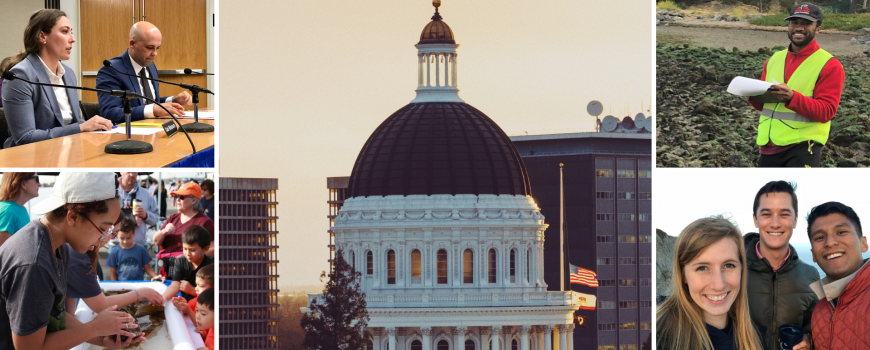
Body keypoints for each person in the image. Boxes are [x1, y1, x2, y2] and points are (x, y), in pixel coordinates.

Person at [0, 172, 144, 349]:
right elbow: (29, 347)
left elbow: (55, 311)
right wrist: (95, 327)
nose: (104, 238)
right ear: (73, 217)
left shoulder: (58, 244)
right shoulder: (33, 264)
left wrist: (101, 338)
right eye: (103, 229)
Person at [747, 4, 845, 167]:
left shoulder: (830, 65)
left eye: (806, 23)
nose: (798, 28)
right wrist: (752, 95)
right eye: (794, 22)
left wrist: (792, 98)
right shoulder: (773, 59)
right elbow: (765, 106)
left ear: (818, 29)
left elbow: (827, 111)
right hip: (768, 146)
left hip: (803, 148)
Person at [1, 9, 113, 148]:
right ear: (42, 37)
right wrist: (81, 127)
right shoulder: (20, 76)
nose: (73, 39)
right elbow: (25, 138)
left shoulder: (69, 74)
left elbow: (75, 122)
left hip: (68, 152)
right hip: (32, 161)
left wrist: (95, 127)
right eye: (65, 31)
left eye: (71, 32)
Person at [657, 216, 765, 350]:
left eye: (729, 265)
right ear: (683, 274)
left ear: (742, 269)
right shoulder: (657, 338)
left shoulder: (755, 335)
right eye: (702, 268)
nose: (719, 285)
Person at [744, 181, 818, 350]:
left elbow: (817, 324)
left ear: (795, 220)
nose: (775, 223)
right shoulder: (734, 269)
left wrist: (810, 340)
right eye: (766, 214)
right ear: (755, 220)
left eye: (784, 214)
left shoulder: (811, 275)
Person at [96, 21, 191, 123]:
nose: (154, 54)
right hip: (127, 133)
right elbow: (109, 113)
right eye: (150, 48)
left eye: (157, 48)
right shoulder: (111, 69)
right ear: (132, 43)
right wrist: (153, 109)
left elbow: (148, 101)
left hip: (154, 129)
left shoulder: (150, 65)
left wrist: (174, 100)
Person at [806, 202, 870, 350]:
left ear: (863, 244)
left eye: (841, 232)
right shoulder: (820, 310)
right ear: (813, 255)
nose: (830, 242)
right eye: (820, 237)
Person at [153, 182, 214, 269]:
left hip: (190, 270)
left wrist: (187, 256)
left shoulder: (205, 221)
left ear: (193, 201)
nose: (177, 200)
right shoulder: (173, 217)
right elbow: (155, 241)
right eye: (176, 196)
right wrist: (164, 231)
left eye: (182, 197)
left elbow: (214, 250)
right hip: (169, 267)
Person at [107, 172, 158, 254]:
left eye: (134, 171)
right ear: (121, 171)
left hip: (139, 246)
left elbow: (156, 219)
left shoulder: (146, 194)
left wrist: (146, 215)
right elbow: (101, 217)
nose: (132, 174)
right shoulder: (109, 193)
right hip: (116, 244)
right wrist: (130, 218)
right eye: (128, 171)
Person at [161, 225, 213, 302]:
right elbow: (175, 285)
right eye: (185, 249)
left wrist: (192, 291)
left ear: (205, 249)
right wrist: (163, 297)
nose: (187, 253)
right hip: (185, 303)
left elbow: (213, 295)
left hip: (202, 306)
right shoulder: (180, 262)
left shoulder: (211, 267)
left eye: (192, 250)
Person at [106, 216, 160, 281]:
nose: (125, 241)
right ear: (117, 235)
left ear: (134, 233)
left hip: (138, 286)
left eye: (128, 238)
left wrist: (156, 277)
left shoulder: (141, 249)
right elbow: (113, 274)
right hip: (121, 287)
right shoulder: (114, 252)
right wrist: (115, 288)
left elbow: (147, 268)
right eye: (122, 238)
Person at [0, 173, 40, 247]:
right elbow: (4, 255)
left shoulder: (20, 209)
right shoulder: (8, 212)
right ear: (23, 184)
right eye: (36, 179)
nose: (39, 184)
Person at [171, 264, 213, 329]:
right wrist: (183, 305)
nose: (196, 288)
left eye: (201, 286)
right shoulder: (198, 299)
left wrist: (188, 310)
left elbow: (203, 330)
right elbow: (188, 308)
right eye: (196, 285)